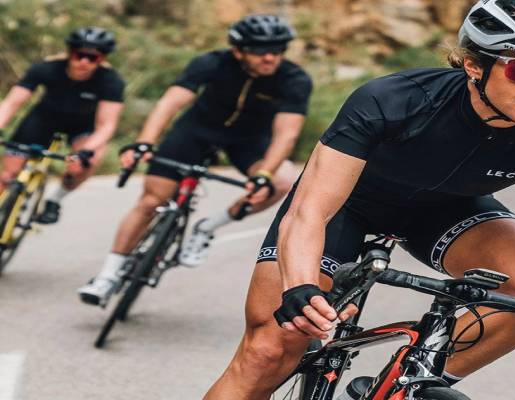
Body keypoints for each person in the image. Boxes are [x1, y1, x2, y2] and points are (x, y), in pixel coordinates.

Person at [205, 1, 515, 399]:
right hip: (346, 206)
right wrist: (300, 286)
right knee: (269, 349)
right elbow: (310, 210)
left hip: (445, 211)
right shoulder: (395, 99)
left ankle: (410, 383)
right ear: (474, 65)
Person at [77, 14, 312, 305]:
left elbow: (286, 134)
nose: (269, 57)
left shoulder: (294, 79)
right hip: (195, 132)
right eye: (259, 50)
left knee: (282, 181)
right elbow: (170, 103)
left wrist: (263, 174)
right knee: (151, 201)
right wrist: (144, 143)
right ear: (238, 50)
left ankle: (207, 228)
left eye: (277, 49)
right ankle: (107, 275)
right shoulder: (211, 62)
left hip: (249, 141)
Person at [0, 27, 124, 222]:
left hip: (82, 126)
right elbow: (12, 103)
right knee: (8, 174)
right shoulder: (46, 68)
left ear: (102, 59)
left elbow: (107, 126)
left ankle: (55, 199)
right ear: (69, 53)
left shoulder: (111, 81)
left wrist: (86, 151)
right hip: (43, 119)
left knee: (85, 163)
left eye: (93, 58)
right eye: (79, 55)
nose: (84, 62)